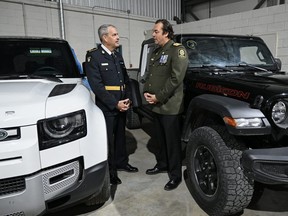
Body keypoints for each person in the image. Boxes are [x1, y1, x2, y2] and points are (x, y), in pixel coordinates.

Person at [85, 24, 138, 185]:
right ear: (104, 38)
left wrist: (127, 98)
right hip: (108, 107)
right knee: (108, 140)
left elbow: (125, 80)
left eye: (117, 34)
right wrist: (115, 103)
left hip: (122, 103)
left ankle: (121, 163)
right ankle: (111, 171)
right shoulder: (93, 56)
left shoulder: (117, 56)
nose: (117, 37)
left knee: (120, 136)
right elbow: (97, 87)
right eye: (114, 34)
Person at [143, 19, 188, 191]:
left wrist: (158, 97)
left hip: (169, 106)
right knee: (160, 139)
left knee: (172, 143)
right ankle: (162, 164)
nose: (153, 34)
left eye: (156, 31)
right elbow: (153, 75)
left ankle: (175, 176)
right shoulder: (157, 51)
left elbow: (176, 78)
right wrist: (147, 91)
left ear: (166, 33)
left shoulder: (177, 50)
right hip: (156, 105)